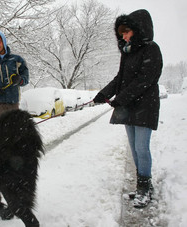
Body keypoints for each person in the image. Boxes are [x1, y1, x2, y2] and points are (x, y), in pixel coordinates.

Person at [93, 9, 163, 208]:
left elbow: (146, 80)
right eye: (121, 33)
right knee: (134, 148)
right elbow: (120, 79)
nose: (123, 36)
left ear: (138, 29)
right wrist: (104, 93)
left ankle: (145, 189)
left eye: (126, 31)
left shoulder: (152, 49)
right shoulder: (128, 52)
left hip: (145, 106)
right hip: (129, 106)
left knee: (142, 148)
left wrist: (120, 98)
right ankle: (143, 186)